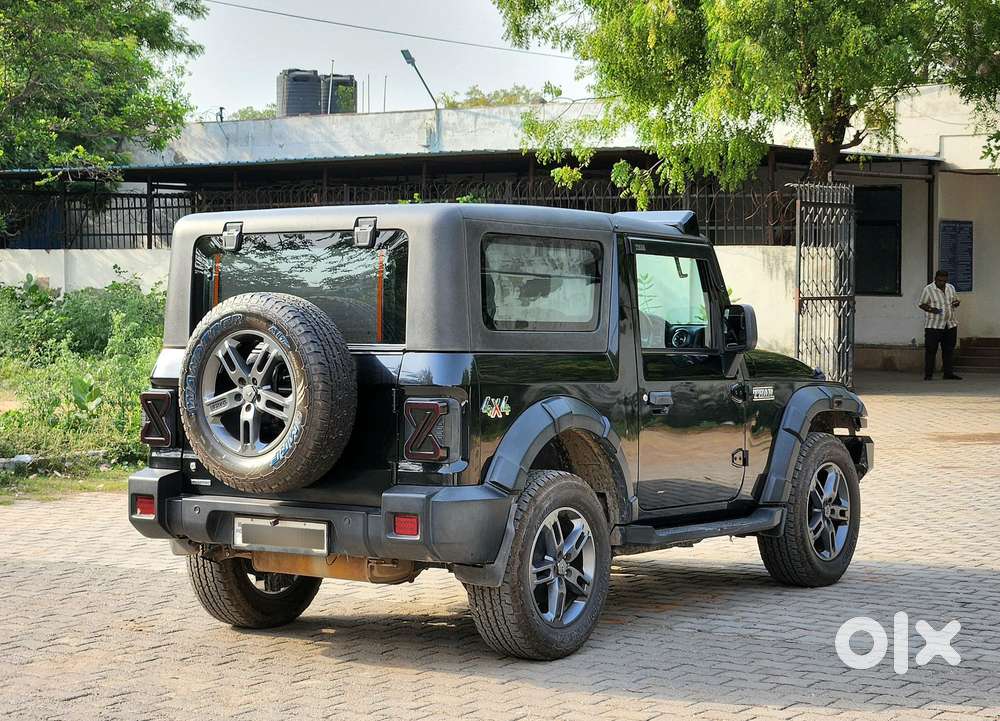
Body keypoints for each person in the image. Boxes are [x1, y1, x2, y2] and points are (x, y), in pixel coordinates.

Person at [917, 269, 961, 380]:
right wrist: (932, 309)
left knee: (948, 350)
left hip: (950, 324)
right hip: (934, 325)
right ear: (935, 279)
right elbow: (921, 304)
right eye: (940, 280)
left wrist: (956, 303)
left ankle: (948, 373)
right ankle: (928, 375)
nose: (942, 283)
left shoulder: (951, 288)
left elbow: (956, 300)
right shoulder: (928, 289)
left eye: (944, 281)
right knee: (931, 350)